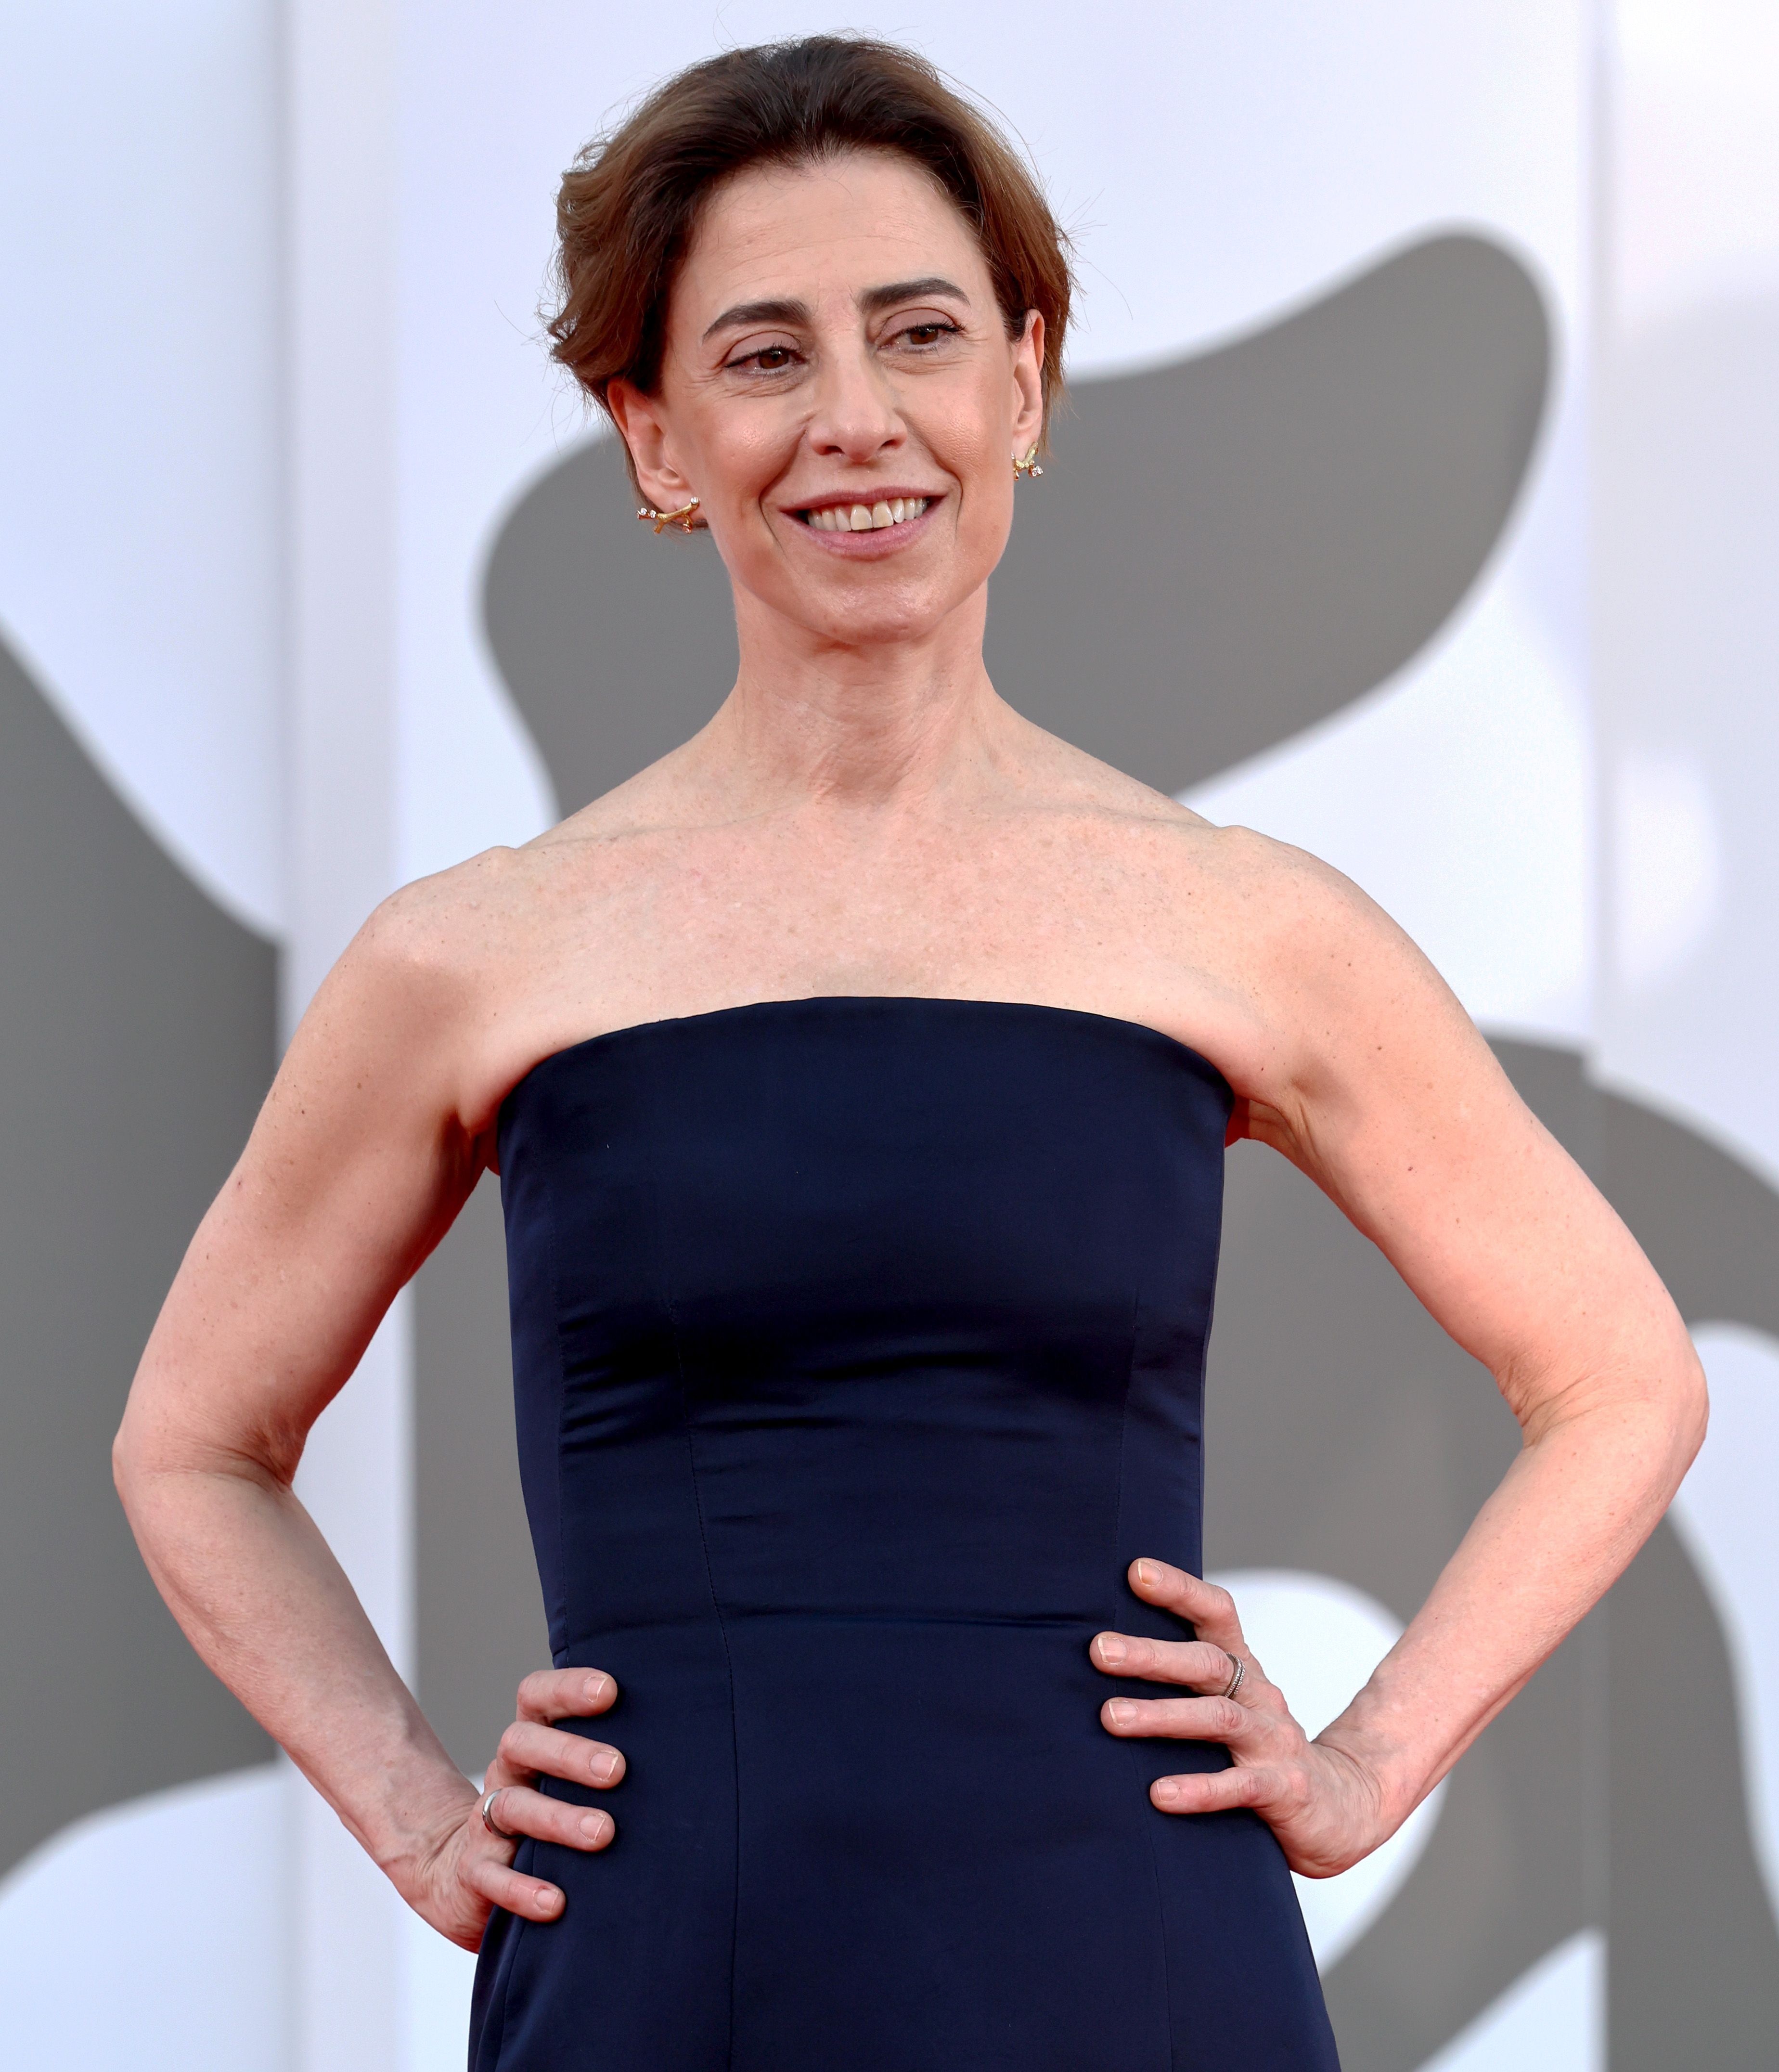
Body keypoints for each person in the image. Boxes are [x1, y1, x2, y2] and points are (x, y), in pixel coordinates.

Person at [115, 34, 1704, 2072]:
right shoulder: (479, 952)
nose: (856, 419)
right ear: (656, 437)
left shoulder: (1233, 917)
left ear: (1021, 388)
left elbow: (1620, 1373)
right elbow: (191, 1441)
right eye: (763, 355)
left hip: (1136, 1948)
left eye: (920, 333)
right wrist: (423, 1812)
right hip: (662, 1956)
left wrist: (1368, 1759)